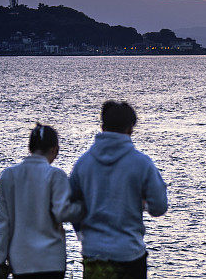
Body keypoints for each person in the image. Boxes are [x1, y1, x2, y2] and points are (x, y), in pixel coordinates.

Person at [69, 101, 168, 279]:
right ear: (131, 129)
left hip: (94, 253)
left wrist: (82, 232)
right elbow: (159, 206)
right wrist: (142, 203)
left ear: (102, 127)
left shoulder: (83, 163)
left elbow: (70, 206)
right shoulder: (141, 163)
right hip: (129, 253)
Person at [0, 124, 84, 279]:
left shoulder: (8, 176)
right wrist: (83, 207)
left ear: (30, 148)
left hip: (21, 262)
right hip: (52, 262)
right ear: (54, 149)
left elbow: (2, 224)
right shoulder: (56, 175)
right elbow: (62, 212)